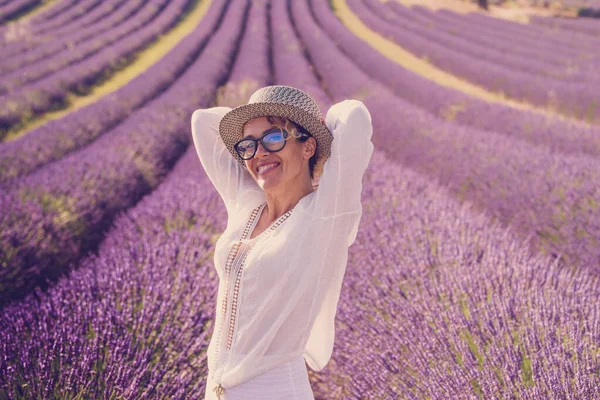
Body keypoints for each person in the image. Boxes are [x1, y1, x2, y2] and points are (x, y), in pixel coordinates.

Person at [191, 85, 374, 399]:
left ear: (307, 147)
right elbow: (202, 122)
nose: (259, 152)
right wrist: (261, 136)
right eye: (248, 145)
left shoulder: (323, 217)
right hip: (216, 389)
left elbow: (354, 117)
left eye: (274, 138)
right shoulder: (246, 203)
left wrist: (318, 124)